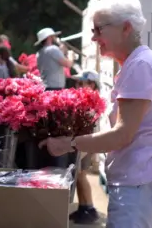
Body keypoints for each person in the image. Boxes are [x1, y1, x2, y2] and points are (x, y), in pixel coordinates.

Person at [38, 0, 152, 228]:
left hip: (140, 179)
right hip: (139, 177)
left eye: (99, 30)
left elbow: (121, 135)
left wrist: (69, 143)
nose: (94, 38)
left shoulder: (141, 66)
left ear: (125, 28)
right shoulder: (135, 64)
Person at [69, 70, 101, 224]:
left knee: (81, 175)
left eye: (81, 83)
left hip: (87, 142)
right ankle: (83, 208)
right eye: (77, 83)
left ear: (92, 85)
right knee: (79, 174)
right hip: (82, 140)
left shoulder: (93, 101)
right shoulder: (84, 99)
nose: (77, 86)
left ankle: (90, 209)